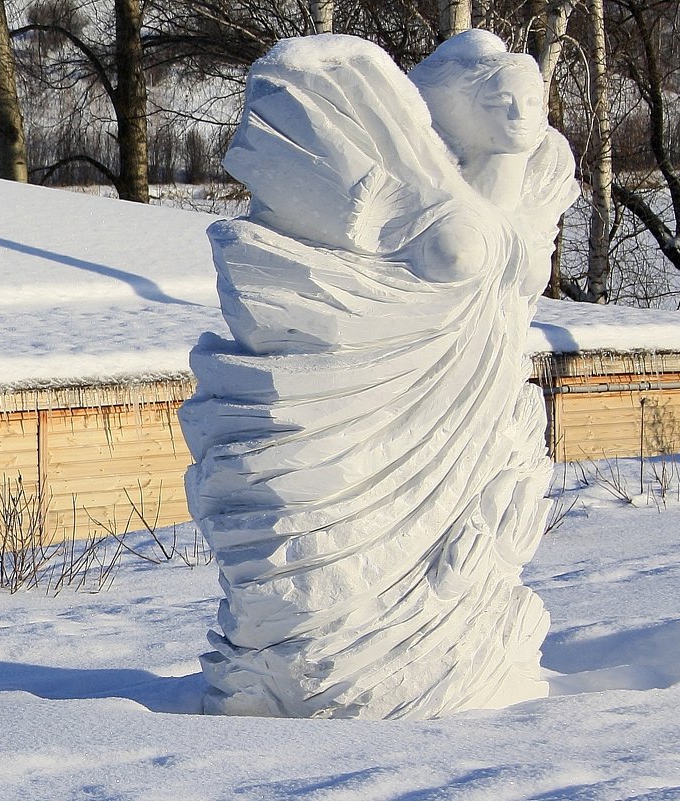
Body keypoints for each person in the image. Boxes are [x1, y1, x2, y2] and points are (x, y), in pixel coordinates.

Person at [178, 30, 577, 719]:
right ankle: (340, 666)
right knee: (330, 536)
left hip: (478, 394)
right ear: (462, 103)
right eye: (503, 100)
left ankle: (445, 654)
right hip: (376, 380)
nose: (522, 115)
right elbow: (301, 86)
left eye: (530, 100)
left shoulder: (532, 188)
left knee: (465, 544)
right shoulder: (404, 175)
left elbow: (508, 271)